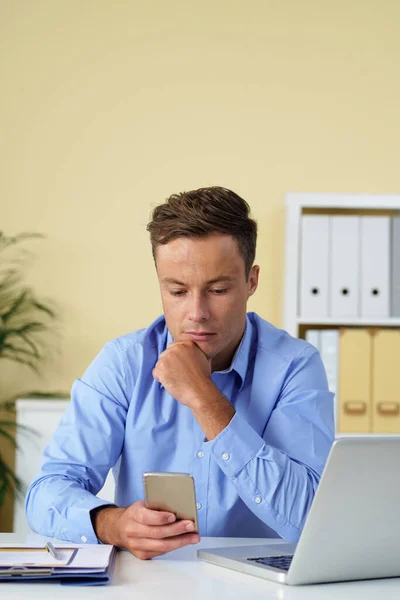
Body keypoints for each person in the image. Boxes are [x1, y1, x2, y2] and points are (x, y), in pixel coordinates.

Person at [26, 186, 334, 560]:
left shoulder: (295, 365)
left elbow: (311, 519)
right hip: (150, 582)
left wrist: (203, 397)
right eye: (177, 291)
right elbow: (47, 492)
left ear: (251, 281)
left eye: (218, 290)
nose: (196, 313)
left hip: (259, 586)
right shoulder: (124, 362)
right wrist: (114, 524)